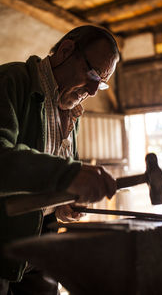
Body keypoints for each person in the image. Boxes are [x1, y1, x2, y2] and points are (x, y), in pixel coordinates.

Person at [0, 25, 120, 294]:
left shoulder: (71, 112)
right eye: (92, 74)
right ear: (66, 50)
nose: (91, 90)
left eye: (100, 83)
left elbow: (47, 182)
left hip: (43, 251)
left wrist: (62, 205)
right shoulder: (11, 81)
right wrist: (68, 174)